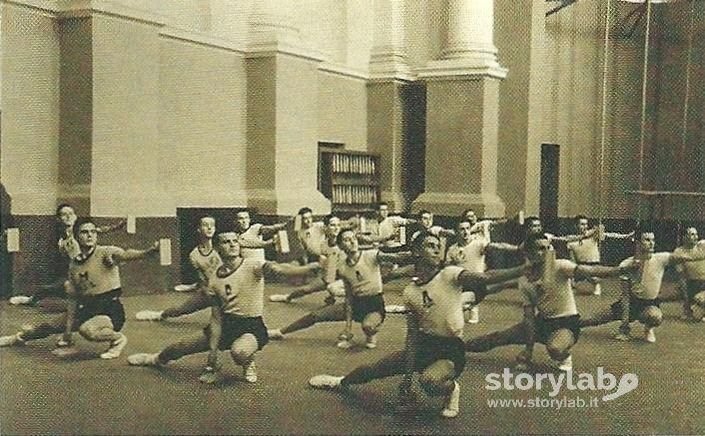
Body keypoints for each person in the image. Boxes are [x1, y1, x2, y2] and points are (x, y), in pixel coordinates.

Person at [307, 232, 527, 418]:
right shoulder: (410, 292)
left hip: (450, 349)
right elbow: (412, 335)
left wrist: (521, 270)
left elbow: (485, 278)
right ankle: (339, 382)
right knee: (374, 369)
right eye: (429, 246)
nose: (435, 250)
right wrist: (407, 377)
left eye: (437, 247)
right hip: (425, 344)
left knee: (429, 382)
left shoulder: (450, 274)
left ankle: (451, 389)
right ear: (417, 251)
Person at [127, 227, 321, 384]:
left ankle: (249, 361)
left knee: (240, 352)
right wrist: (212, 354)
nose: (232, 244)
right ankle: (154, 359)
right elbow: (217, 318)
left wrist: (306, 268)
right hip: (227, 324)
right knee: (179, 347)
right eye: (226, 242)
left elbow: (278, 269)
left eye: (235, 241)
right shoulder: (214, 280)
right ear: (218, 248)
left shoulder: (252, 265)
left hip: (251, 326)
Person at [464, 232, 634, 372]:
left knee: (555, 349)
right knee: (498, 338)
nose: (546, 251)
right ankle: (459, 348)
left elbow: (589, 270)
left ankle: (565, 356)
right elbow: (529, 319)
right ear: (528, 253)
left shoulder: (560, 266)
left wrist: (619, 270)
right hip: (542, 322)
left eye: (548, 247)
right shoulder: (525, 281)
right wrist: (528, 351)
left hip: (566, 324)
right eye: (540, 248)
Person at [0, 217, 159, 360]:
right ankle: (17, 338)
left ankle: (117, 339)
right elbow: (73, 300)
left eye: (93, 232)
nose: (90, 235)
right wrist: (67, 332)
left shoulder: (106, 253)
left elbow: (126, 254)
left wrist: (149, 252)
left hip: (110, 309)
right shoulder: (74, 265)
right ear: (77, 236)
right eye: (84, 232)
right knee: (48, 327)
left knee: (87, 330)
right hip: (87, 307)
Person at [267, 228, 413, 349]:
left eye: (353, 238)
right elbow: (349, 296)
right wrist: (348, 327)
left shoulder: (371, 255)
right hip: (356, 302)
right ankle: (280, 331)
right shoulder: (342, 266)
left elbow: (396, 257)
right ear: (341, 246)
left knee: (368, 326)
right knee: (316, 316)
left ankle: (371, 333)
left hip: (374, 304)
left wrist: (411, 254)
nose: (352, 241)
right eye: (347, 240)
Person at [580, 230, 705, 343]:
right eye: (647, 240)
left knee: (655, 317)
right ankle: (569, 325)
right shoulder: (627, 263)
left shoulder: (661, 258)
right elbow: (626, 296)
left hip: (649, 304)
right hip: (631, 303)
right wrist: (624, 325)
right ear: (638, 243)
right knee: (592, 320)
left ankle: (648, 328)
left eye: (653, 240)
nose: (651, 243)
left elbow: (688, 257)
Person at [10, 204, 125, 306]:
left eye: (71, 213)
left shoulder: (83, 231)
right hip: (74, 273)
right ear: (58, 219)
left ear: (75, 216)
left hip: (89, 271)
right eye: (64, 214)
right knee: (52, 289)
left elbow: (100, 229)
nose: (68, 216)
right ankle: (30, 300)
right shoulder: (62, 239)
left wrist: (115, 227)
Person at [135, 216, 221, 322]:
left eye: (212, 225)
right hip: (210, 291)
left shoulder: (222, 247)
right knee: (180, 310)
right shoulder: (194, 255)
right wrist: (201, 288)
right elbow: (202, 280)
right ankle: (160, 314)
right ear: (199, 229)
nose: (209, 228)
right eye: (205, 225)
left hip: (227, 290)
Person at [446, 218, 519, 323]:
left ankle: (471, 306)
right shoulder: (452, 250)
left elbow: (497, 246)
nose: (465, 232)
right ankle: (470, 306)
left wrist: (516, 248)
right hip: (461, 284)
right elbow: (448, 268)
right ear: (456, 231)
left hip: (477, 284)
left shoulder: (478, 244)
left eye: (467, 228)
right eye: (462, 229)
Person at [269, 214, 345, 304]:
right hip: (332, 274)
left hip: (348, 276)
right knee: (305, 289)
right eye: (333, 225)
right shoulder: (324, 244)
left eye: (338, 225)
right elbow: (330, 273)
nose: (336, 228)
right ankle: (287, 297)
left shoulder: (344, 240)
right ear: (326, 227)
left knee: (333, 288)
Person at [566, 215, 633, 295]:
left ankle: (593, 284)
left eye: (586, 224)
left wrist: (625, 236)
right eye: (582, 224)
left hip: (596, 268)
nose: (585, 226)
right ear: (576, 225)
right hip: (582, 270)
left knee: (596, 281)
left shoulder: (593, 236)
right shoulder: (571, 241)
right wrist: (573, 277)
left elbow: (608, 234)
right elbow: (572, 260)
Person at [674, 227, 705, 321]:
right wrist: (686, 301)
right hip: (692, 283)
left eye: (696, 234)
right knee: (682, 288)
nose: (695, 237)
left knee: (700, 299)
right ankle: (688, 310)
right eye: (692, 234)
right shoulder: (679, 252)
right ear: (684, 237)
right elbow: (681, 276)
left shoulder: (703, 246)